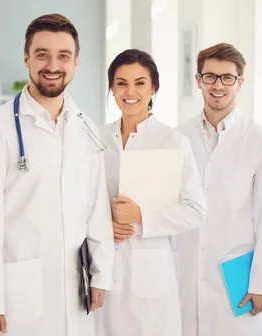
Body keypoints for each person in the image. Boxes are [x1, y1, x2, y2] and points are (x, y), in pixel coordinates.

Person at [0, 13, 114, 336]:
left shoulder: (85, 127)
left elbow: (96, 207)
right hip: (18, 291)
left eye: (63, 56)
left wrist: (101, 273)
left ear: (76, 61)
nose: (52, 66)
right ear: (26, 57)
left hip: (76, 289)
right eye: (42, 54)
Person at [172, 43, 262, 335]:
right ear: (198, 80)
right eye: (209, 77)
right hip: (187, 276)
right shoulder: (178, 137)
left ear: (240, 83)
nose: (218, 85)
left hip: (239, 282)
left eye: (227, 78)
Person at [94, 49, 206, 336]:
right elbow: (80, 198)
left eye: (140, 83)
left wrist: (141, 216)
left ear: (154, 87)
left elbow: (195, 210)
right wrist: (106, 223)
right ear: (111, 88)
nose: (130, 92)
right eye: (121, 83)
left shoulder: (171, 140)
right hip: (102, 270)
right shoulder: (95, 138)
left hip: (151, 273)